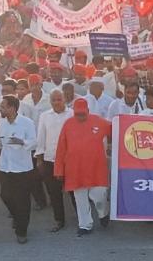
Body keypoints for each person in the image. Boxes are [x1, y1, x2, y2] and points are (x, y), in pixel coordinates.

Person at [54, 98, 113, 237]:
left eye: (83, 114)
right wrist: (58, 170)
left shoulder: (99, 121)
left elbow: (116, 130)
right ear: (74, 112)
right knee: (80, 198)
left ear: (88, 111)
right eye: (77, 114)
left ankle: (103, 213)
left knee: (99, 195)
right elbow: (61, 149)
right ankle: (85, 225)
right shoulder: (68, 124)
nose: (80, 116)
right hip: (75, 169)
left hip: (96, 168)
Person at [0, 95, 37, 244]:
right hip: (6, 165)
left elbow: (34, 143)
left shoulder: (27, 123)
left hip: (23, 167)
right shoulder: (1, 122)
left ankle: (22, 231)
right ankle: (17, 217)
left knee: (23, 200)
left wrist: (22, 142)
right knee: (5, 196)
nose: (1, 109)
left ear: (12, 108)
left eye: (4, 106)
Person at [35, 90, 72, 232]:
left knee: (74, 192)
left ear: (65, 100)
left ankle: (83, 220)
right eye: (54, 100)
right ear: (50, 102)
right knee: (54, 192)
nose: (57, 102)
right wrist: (39, 160)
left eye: (59, 99)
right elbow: (41, 138)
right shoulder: (44, 116)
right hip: (50, 159)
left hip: (69, 160)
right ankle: (59, 220)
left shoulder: (72, 115)